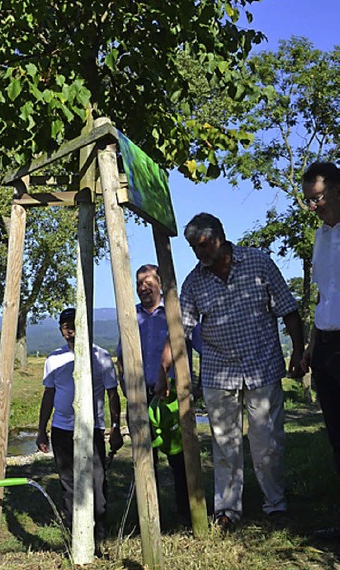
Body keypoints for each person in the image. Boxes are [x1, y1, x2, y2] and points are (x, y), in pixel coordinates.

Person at [158, 213, 304, 530]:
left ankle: (275, 505)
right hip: (218, 373)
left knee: (267, 444)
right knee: (225, 445)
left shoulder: (258, 263)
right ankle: (227, 510)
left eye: (203, 245)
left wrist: (299, 352)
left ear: (219, 238)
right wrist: (163, 367)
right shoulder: (194, 281)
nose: (200, 253)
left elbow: (288, 309)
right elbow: (179, 330)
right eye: (194, 248)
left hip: (262, 367)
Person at [36, 308, 123, 550]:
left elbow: (112, 394)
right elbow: (49, 394)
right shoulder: (54, 359)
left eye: (74, 324)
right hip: (62, 429)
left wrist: (115, 427)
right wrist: (42, 430)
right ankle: (76, 531)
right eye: (65, 326)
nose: (70, 330)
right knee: (68, 481)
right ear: (61, 330)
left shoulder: (101, 357)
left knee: (96, 480)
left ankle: (100, 530)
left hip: (92, 428)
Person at [116, 264, 190, 521]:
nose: (143, 288)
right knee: (145, 457)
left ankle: (187, 512)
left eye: (148, 282)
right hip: (140, 395)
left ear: (160, 284)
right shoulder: (130, 316)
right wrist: (124, 383)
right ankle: (151, 516)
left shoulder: (172, 313)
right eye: (139, 283)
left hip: (169, 396)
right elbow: (121, 355)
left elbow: (191, 347)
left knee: (179, 458)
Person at [301, 162, 340, 536]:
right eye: (310, 201)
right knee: (336, 436)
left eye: (319, 198)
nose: (314, 207)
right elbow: (323, 297)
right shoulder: (321, 238)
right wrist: (312, 346)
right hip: (327, 346)